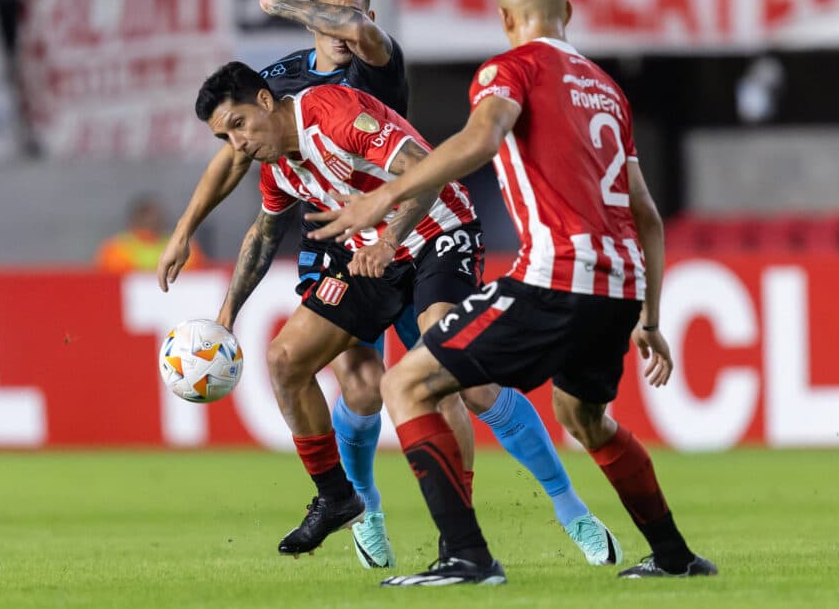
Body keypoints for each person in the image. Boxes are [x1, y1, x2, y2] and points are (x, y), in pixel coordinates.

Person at [307, 0, 718, 586]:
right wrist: (650, 318)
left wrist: (383, 198)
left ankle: (466, 558)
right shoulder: (606, 89)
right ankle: (674, 557)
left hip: (556, 276)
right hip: (619, 286)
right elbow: (648, 215)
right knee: (584, 417)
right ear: (568, 13)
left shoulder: (510, 69)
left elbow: (481, 139)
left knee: (407, 385)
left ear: (505, 18)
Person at [194, 59, 623, 569]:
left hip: (436, 234)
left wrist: (392, 236)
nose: (238, 145)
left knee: (463, 382)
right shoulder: (278, 165)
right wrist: (225, 317)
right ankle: (340, 499)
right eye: (226, 138)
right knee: (286, 360)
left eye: (239, 125)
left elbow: (428, 169)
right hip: (369, 256)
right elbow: (264, 235)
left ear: (264, 101)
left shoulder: (335, 116)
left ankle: (565, 508)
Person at [95, 195, 205, 272]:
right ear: (134, 220)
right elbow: (110, 278)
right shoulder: (116, 248)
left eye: (156, 218)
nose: (152, 222)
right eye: (146, 218)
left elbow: (196, 275)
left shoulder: (182, 246)